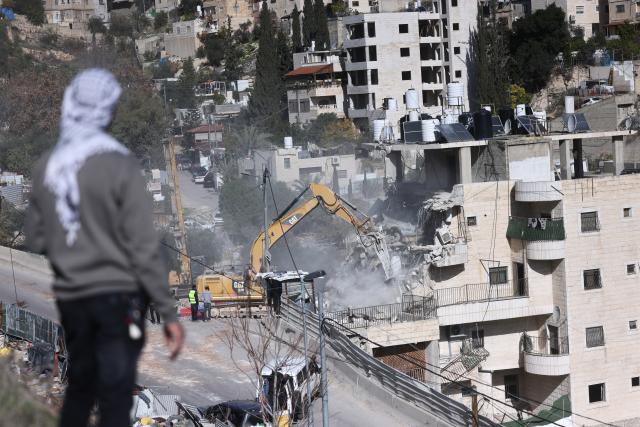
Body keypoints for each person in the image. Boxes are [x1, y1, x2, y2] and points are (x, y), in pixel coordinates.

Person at [25, 69, 184, 427]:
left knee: (80, 387)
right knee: (115, 389)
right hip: (115, 299)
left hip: (73, 298)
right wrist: (168, 315)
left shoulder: (49, 165)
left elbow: (35, 237)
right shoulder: (120, 164)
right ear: (109, 112)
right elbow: (145, 248)